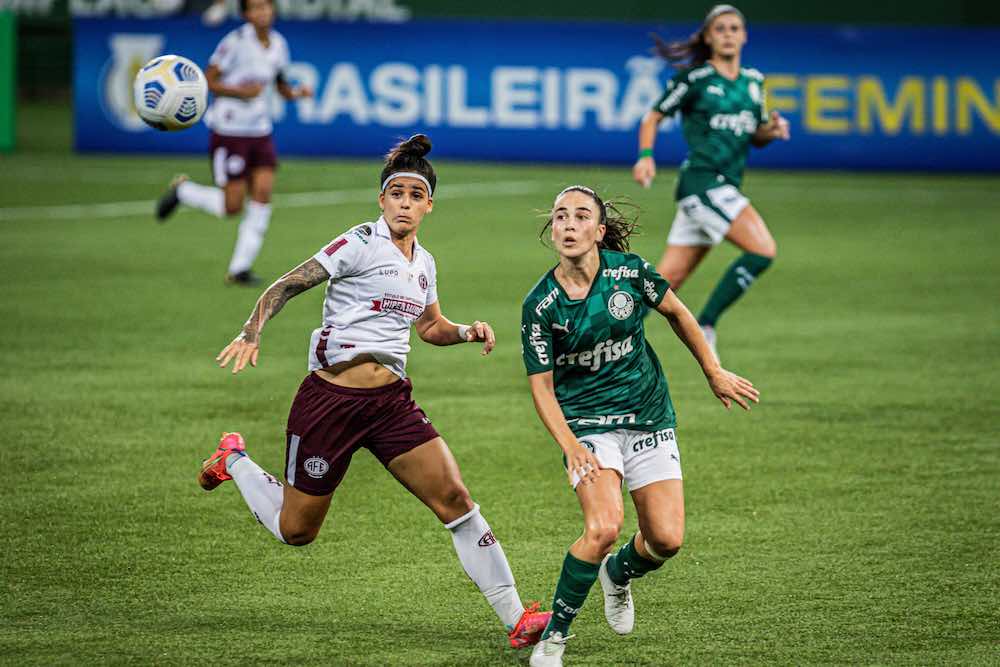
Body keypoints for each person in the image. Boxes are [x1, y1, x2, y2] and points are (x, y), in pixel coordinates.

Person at [200, 134, 552, 647]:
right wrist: (252, 330)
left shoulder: (425, 264)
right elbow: (288, 283)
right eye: (396, 194)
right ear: (381, 200)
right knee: (297, 530)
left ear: (429, 204)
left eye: (415, 195)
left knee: (455, 498)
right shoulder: (360, 242)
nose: (404, 204)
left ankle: (517, 617)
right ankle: (234, 459)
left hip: (391, 406)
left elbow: (429, 327)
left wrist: (465, 331)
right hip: (329, 404)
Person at [522, 186, 759, 666]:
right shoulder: (541, 304)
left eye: (580, 216)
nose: (568, 225)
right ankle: (555, 637)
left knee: (667, 541)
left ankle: (618, 574)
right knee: (604, 525)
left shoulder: (630, 274)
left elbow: (677, 312)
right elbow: (543, 388)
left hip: (648, 413)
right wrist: (569, 444)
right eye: (561, 217)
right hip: (588, 424)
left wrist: (713, 371)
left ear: (599, 231)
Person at [632, 4, 790, 358]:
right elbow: (652, 117)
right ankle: (706, 324)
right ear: (707, 37)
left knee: (665, 283)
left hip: (724, 188)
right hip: (704, 183)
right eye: (720, 29)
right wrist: (645, 158)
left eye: (735, 28)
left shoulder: (754, 82)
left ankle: (609, 339)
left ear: (744, 35)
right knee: (763, 250)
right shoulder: (696, 80)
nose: (728, 34)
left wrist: (772, 131)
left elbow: (755, 135)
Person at [155, 0, 312, 286]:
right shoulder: (235, 42)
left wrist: (296, 93)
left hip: (260, 130)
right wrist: (239, 92)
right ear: (245, 15)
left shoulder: (278, 44)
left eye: (266, 6)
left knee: (263, 193)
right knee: (232, 206)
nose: (262, 12)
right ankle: (184, 192)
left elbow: (279, 85)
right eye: (255, 8)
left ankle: (239, 269)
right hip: (229, 130)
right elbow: (207, 80)